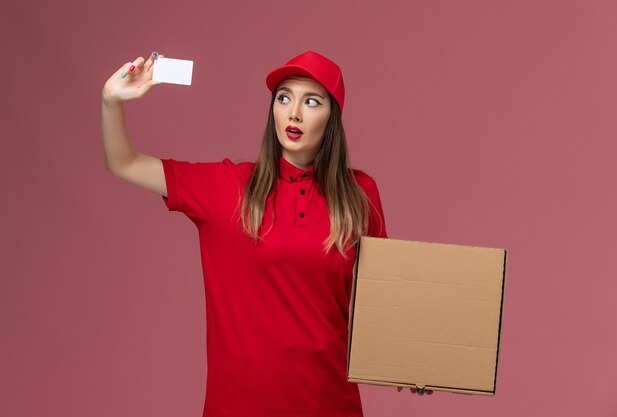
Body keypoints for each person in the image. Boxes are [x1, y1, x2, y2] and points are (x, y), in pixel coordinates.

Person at [101, 50, 430, 417]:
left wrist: (412, 360)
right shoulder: (226, 187)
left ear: (332, 117)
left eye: (312, 101)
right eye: (284, 97)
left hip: (329, 406)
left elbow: (384, 300)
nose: (294, 113)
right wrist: (110, 101)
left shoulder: (359, 194)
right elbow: (123, 162)